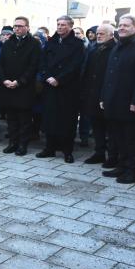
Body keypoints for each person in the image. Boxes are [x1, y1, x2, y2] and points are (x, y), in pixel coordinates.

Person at [100, 15, 135, 184]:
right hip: (113, 101)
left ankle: (133, 171)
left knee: (131, 139)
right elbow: (109, 75)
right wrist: (103, 97)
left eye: (126, 25)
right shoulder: (118, 46)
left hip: (130, 103)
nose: (122, 28)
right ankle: (122, 166)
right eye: (120, 25)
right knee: (118, 137)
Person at [37, 15, 85, 163]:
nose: (60, 27)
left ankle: (67, 151)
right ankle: (49, 148)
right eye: (58, 24)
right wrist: (47, 76)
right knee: (50, 118)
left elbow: (76, 65)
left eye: (63, 25)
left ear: (70, 26)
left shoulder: (77, 44)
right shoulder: (51, 41)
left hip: (67, 87)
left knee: (67, 121)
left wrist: (59, 79)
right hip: (50, 86)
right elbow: (43, 61)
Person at [0, 16, 41, 156]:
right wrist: (4, 80)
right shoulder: (9, 43)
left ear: (27, 27)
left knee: (24, 119)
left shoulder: (34, 44)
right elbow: (0, 64)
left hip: (24, 87)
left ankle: (22, 145)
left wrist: (19, 81)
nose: (17, 28)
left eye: (20, 26)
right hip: (8, 86)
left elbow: (33, 66)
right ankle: (12, 143)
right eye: (15, 26)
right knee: (11, 118)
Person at [81, 24, 117, 166]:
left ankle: (113, 156)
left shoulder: (115, 48)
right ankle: (99, 152)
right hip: (92, 93)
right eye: (98, 33)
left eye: (102, 33)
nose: (99, 35)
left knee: (111, 128)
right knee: (97, 125)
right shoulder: (94, 48)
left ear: (111, 34)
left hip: (107, 94)